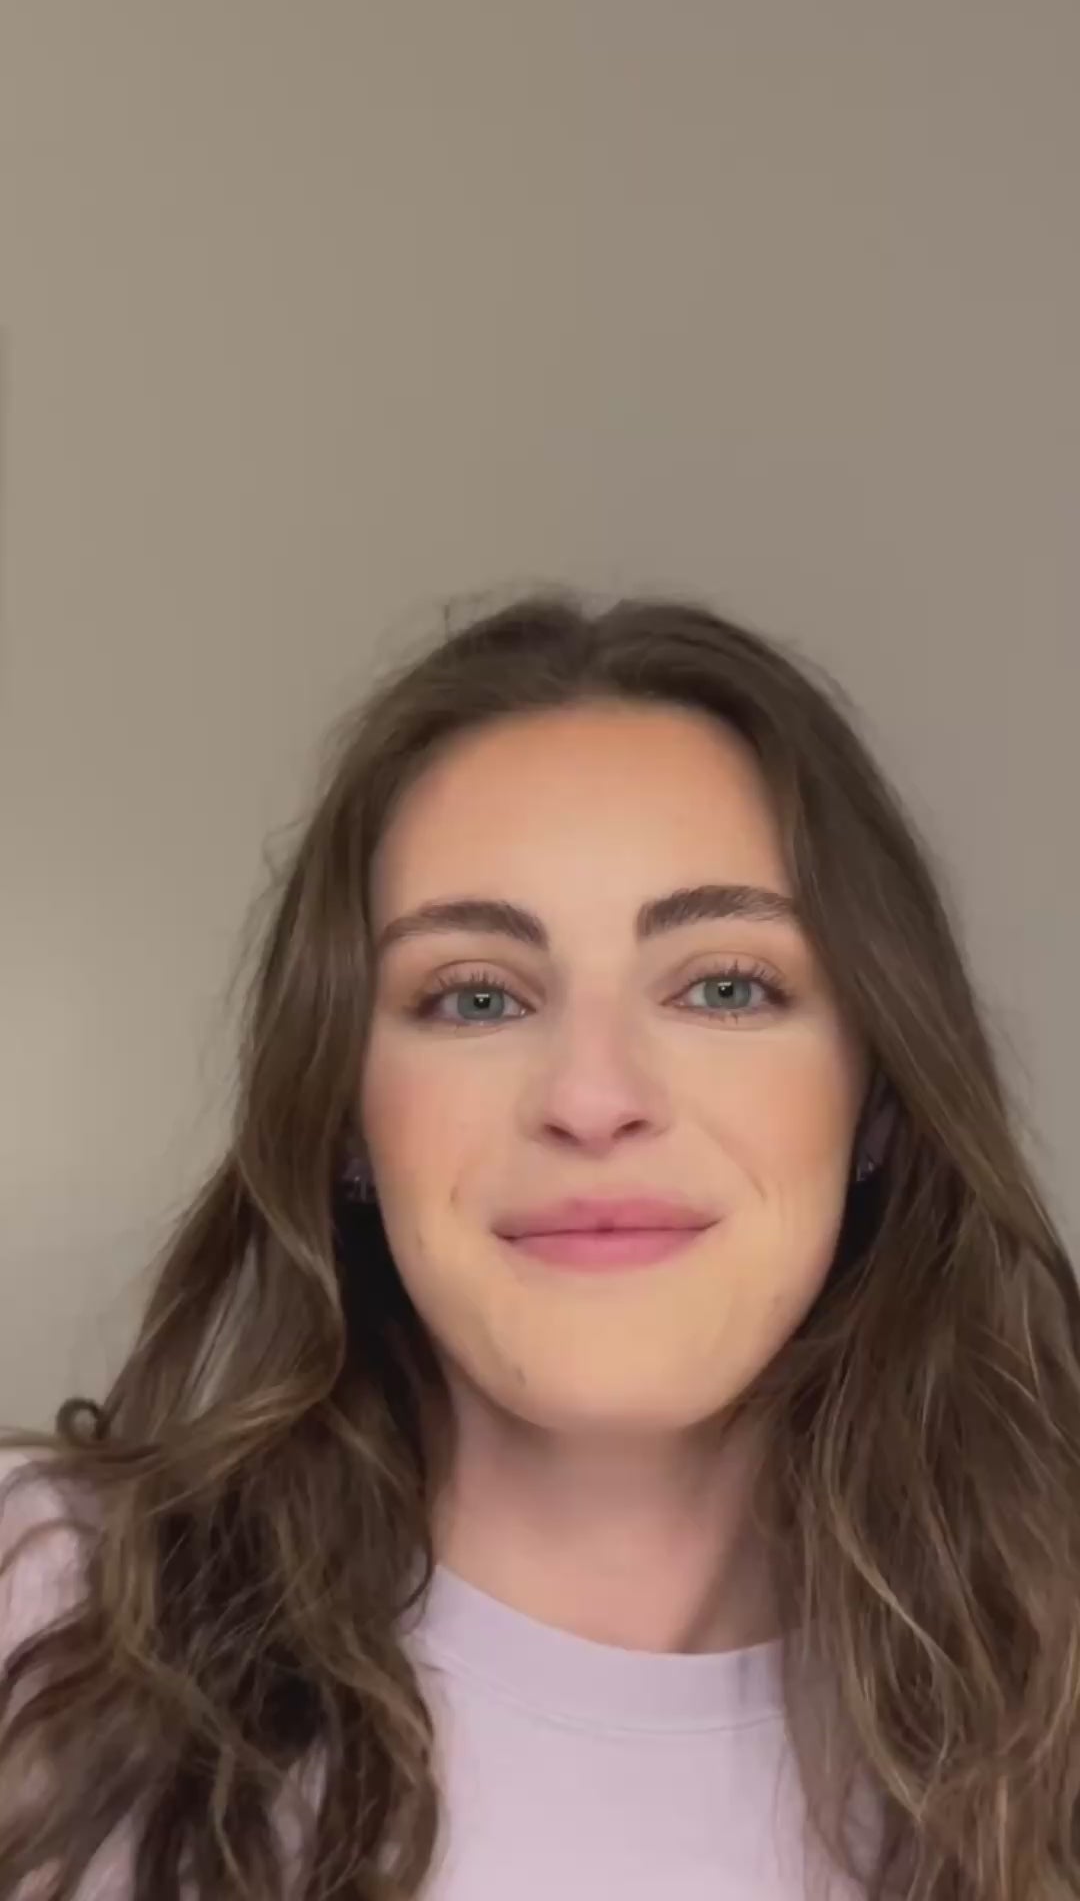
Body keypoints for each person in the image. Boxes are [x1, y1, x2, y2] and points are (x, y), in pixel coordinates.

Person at [1, 593, 1078, 1901]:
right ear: (346, 1119)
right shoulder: (45, 1616)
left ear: (880, 1103)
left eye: (725, 986)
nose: (592, 1097)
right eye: (476, 997)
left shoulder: (1047, 1712)